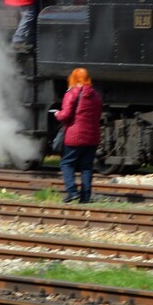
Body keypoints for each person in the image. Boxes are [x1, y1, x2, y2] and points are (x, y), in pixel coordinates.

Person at [54, 68, 103, 204]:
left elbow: (66, 115)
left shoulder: (72, 93)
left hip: (74, 137)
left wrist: (57, 114)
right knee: (87, 167)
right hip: (92, 137)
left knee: (66, 163)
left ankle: (72, 192)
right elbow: (98, 115)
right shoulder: (96, 96)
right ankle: (85, 197)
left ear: (73, 78)